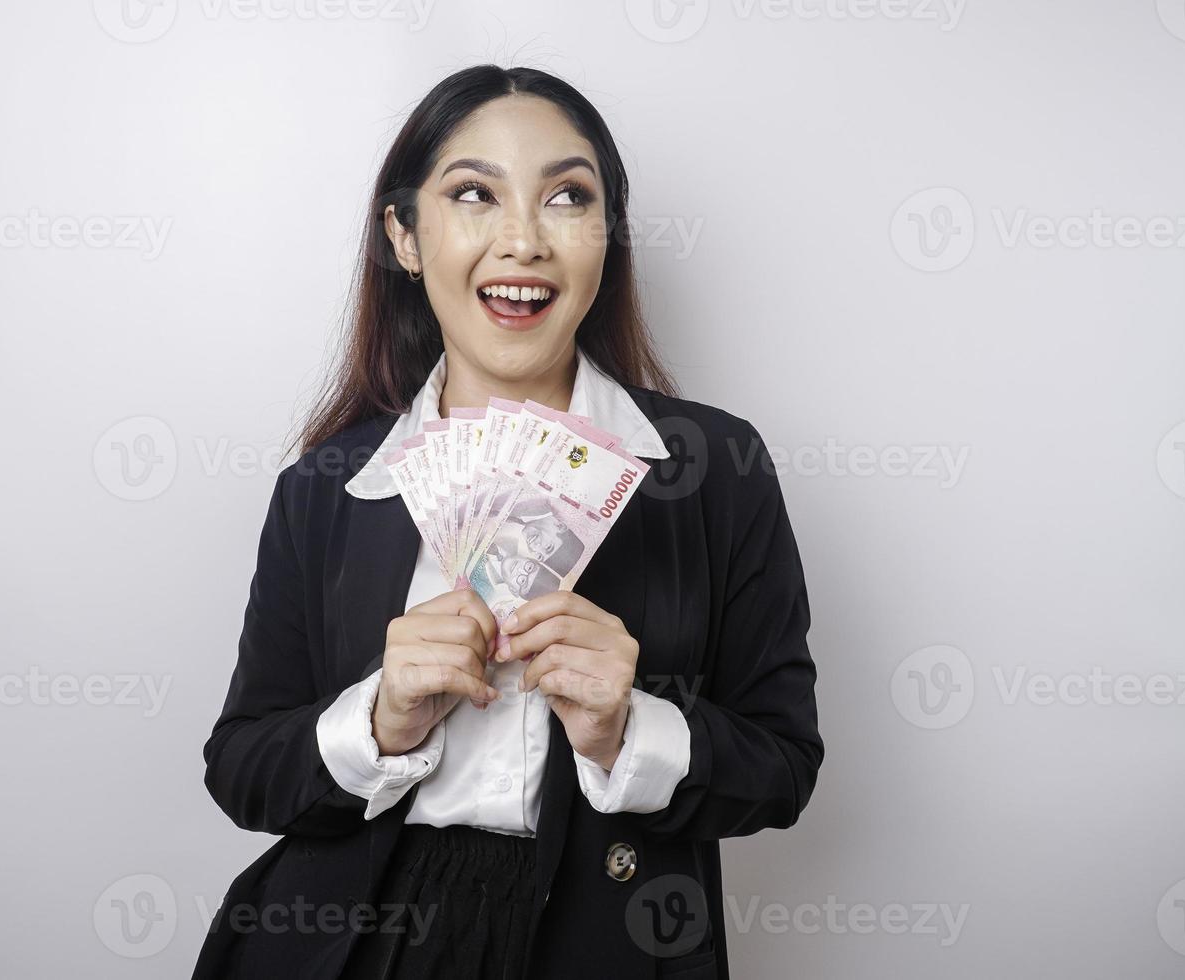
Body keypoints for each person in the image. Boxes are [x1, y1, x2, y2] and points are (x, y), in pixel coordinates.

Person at [193, 64, 823, 980]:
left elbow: (784, 766)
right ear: (404, 237)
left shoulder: (716, 470)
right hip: (352, 946)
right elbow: (242, 767)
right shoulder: (329, 487)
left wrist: (630, 730)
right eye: (473, 195)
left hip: (603, 942)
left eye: (568, 196)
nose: (522, 240)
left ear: (607, 239)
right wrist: (379, 719)